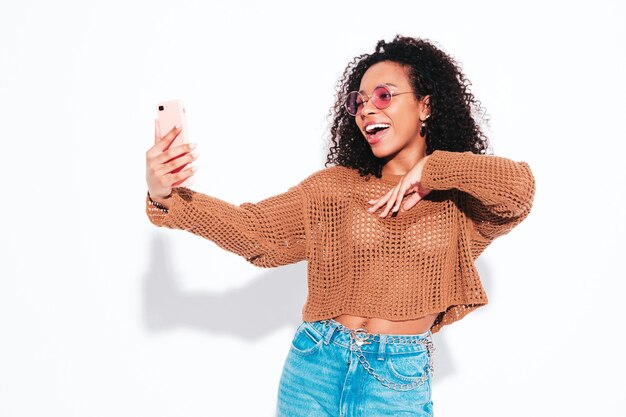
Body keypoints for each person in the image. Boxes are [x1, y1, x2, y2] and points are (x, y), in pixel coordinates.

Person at [144, 35, 535, 417]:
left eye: (383, 96)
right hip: (315, 364)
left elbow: (519, 190)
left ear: (426, 105)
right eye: (358, 102)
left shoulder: (459, 200)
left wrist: (432, 170)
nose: (366, 110)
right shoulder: (335, 188)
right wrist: (167, 198)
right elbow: (256, 231)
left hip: (396, 380)